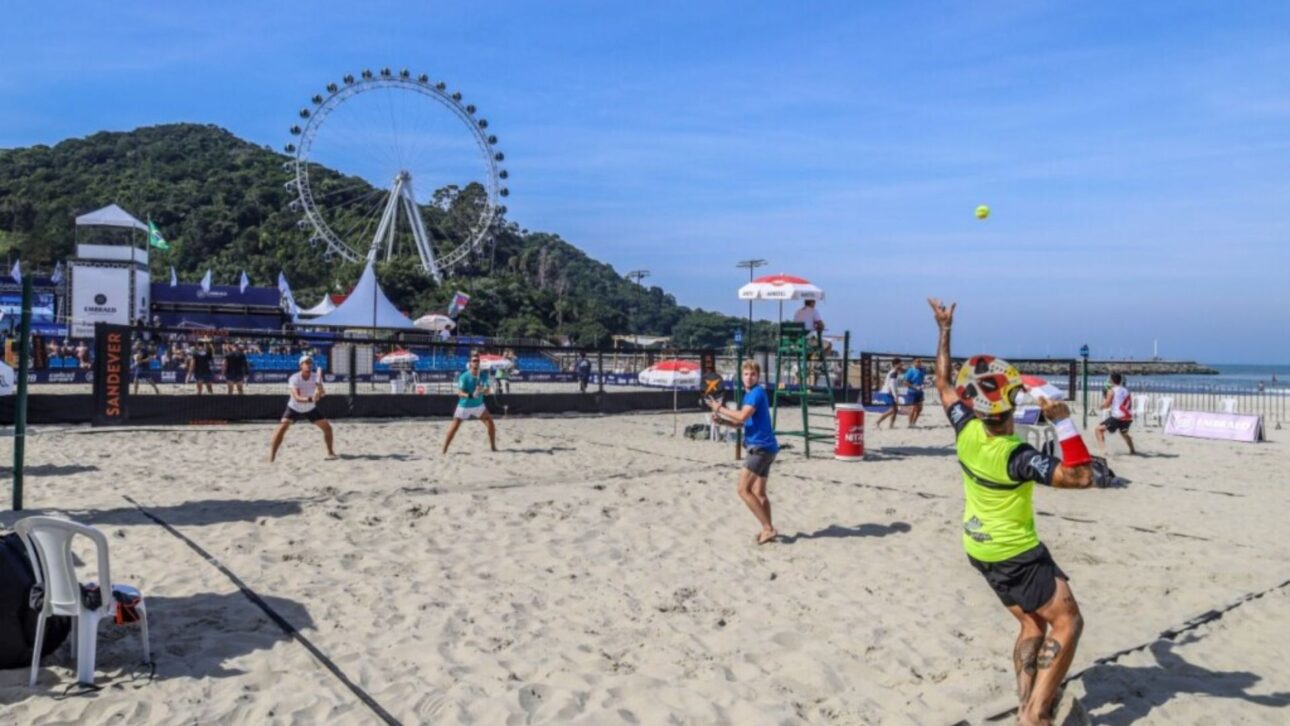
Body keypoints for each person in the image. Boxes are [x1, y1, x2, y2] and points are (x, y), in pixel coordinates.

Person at [927, 298, 1094, 726]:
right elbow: (1080, 478)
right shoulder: (1014, 454)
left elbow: (943, 383)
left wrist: (944, 329)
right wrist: (1062, 422)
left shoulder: (965, 429)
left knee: (1033, 627)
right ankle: (1035, 714)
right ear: (1010, 410)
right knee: (1068, 623)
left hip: (977, 546)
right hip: (1014, 551)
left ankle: (1025, 702)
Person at [707, 360, 780, 545]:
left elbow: (741, 416)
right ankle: (768, 529)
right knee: (759, 492)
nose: (749, 377)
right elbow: (740, 423)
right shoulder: (750, 395)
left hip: (760, 449)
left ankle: (768, 528)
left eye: (753, 374)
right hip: (769, 448)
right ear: (742, 376)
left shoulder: (756, 393)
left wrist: (719, 408)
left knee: (742, 489)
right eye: (746, 374)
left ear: (758, 376)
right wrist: (722, 421)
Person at [269, 355, 335, 462]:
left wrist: (320, 389)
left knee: (328, 428)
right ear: (301, 365)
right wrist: (311, 398)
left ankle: (330, 453)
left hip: (310, 408)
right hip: (294, 408)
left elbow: (322, 394)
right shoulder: (294, 378)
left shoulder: (316, 377)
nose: (309, 365)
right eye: (306, 363)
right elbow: (297, 398)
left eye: (310, 363)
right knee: (281, 429)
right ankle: (271, 458)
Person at [442, 351, 497, 454]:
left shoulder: (483, 375)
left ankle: (493, 447)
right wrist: (471, 395)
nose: (476, 362)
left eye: (477, 360)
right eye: (474, 360)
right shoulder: (464, 376)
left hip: (479, 405)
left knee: (491, 424)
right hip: (465, 406)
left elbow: (487, 392)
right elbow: (460, 393)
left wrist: (482, 390)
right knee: (454, 428)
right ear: (470, 363)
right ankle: (444, 450)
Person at [1095, 372, 1136, 455]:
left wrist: (1101, 406)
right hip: (1128, 417)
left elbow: (1107, 404)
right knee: (1124, 433)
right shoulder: (1126, 390)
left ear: (1111, 381)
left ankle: (1103, 451)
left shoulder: (1111, 391)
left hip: (1118, 417)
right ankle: (1132, 450)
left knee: (1098, 430)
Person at [874, 357, 905, 429]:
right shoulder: (893, 373)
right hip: (887, 393)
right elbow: (892, 385)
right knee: (893, 409)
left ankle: (891, 425)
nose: (901, 365)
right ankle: (878, 422)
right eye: (900, 364)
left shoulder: (895, 372)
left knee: (895, 409)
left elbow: (894, 385)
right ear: (895, 365)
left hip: (890, 392)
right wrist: (895, 396)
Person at [903, 358, 928, 427]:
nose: (919, 363)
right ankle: (909, 424)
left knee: (919, 408)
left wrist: (924, 385)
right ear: (914, 362)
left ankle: (913, 423)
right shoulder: (910, 370)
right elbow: (905, 382)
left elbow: (922, 380)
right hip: (912, 392)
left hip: (920, 392)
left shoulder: (922, 370)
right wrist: (914, 387)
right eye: (917, 362)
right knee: (912, 408)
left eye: (920, 361)